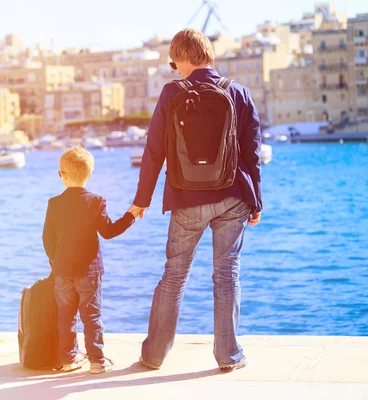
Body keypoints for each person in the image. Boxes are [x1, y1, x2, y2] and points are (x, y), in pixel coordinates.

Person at [128, 29, 263, 372]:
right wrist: (256, 201)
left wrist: (141, 200)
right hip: (233, 197)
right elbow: (253, 153)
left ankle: (154, 355)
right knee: (227, 275)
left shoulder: (171, 93)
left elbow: (154, 150)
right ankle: (228, 356)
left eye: (175, 62)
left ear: (184, 58)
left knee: (174, 276)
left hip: (187, 198)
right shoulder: (239, 93)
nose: (175, 68)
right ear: (208, 55)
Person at [43, 146, 136, 374]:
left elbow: (47, 238)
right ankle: (96, 361)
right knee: (92, 317)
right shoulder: (96, 201)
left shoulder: (54, 203)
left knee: (65, 318)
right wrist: (130, 216)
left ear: (63, 175)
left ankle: (67, 360)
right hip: (89, 272)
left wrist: (54, 261)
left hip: (62, 271)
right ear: (89, 174)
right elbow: (109, 231)